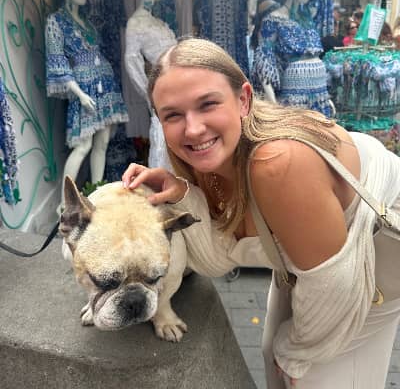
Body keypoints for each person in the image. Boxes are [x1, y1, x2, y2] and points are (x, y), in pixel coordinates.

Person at [122, 37, 400, 388]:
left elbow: (334, 291)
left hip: (375, 255)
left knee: (310, 373)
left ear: (244, 99)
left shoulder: (276, 164)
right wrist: (184, 196)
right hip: (316, 264)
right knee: (275, 353)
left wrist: (295, 353)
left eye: (208, 104)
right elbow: (217, 261)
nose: (192, 129)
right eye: (173, 115)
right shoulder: (202, 161)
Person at [45, 0, 128, 209]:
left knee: (103, 142)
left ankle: (96, 195)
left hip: (105, 85)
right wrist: (80, 95)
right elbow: (57, 62)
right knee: (83, 145)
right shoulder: (56, 21)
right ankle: (65, 203)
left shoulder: (86, 21)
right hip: (85, 88)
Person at [250, 0, 334, 117]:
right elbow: (264, 61)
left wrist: (327, 97)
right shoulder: (273, 19)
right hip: (296, 90)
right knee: (298, 126)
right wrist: (273, 103)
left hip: (320, 91)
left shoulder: (308, 19)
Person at [125, 0, 176, 170]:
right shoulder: (135, 23)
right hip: (163, 89)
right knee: (163, 133)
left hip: (179, 85)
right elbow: (131, 60)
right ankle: (163, 179)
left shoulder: (159, 22)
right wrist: (148, 93)